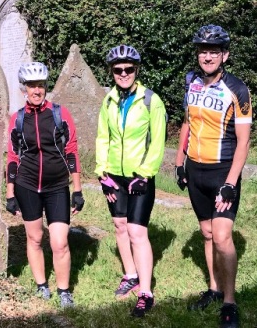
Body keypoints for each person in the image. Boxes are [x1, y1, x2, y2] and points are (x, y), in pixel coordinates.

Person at [175, 25, 251, 328]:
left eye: (214, 51)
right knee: (206, 234)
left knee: (221, 236)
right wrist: (179, 161)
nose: (207, 56)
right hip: (195, 169)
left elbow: (244, 142)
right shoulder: (191, 81)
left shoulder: (238, 89)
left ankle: (230, 302)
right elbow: (186, 123)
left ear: (225, 55)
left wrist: (231, 183)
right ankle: (214, 289)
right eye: (203, 51)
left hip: (222, 170)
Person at [94, 45, 167, 317]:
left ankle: (146, 291)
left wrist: (145, 174)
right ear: (112, 72)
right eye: (117, 70)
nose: (123, 74)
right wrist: (102, 172)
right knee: (119, 226)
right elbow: (103, 137)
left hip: (139, 177)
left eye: (128, 69)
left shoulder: (151, 100)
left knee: (137, 232)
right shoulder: (109, 100)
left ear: (137, 70)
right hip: (114, 174)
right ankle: (130, 274)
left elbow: (158, 141)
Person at [4, 61, 84, 308]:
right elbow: (13, 156)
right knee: (35, 237)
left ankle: (64, 291)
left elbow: (71, 151)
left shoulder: (60, 114)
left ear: (46, 87)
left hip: (57, 185)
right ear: (23, 89)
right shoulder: (17, 119)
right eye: (31, 86)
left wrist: (77, 189)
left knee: (59, 242)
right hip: (26, 185)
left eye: (40, 85)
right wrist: (10, 194)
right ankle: (41, 285)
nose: (37, 91)